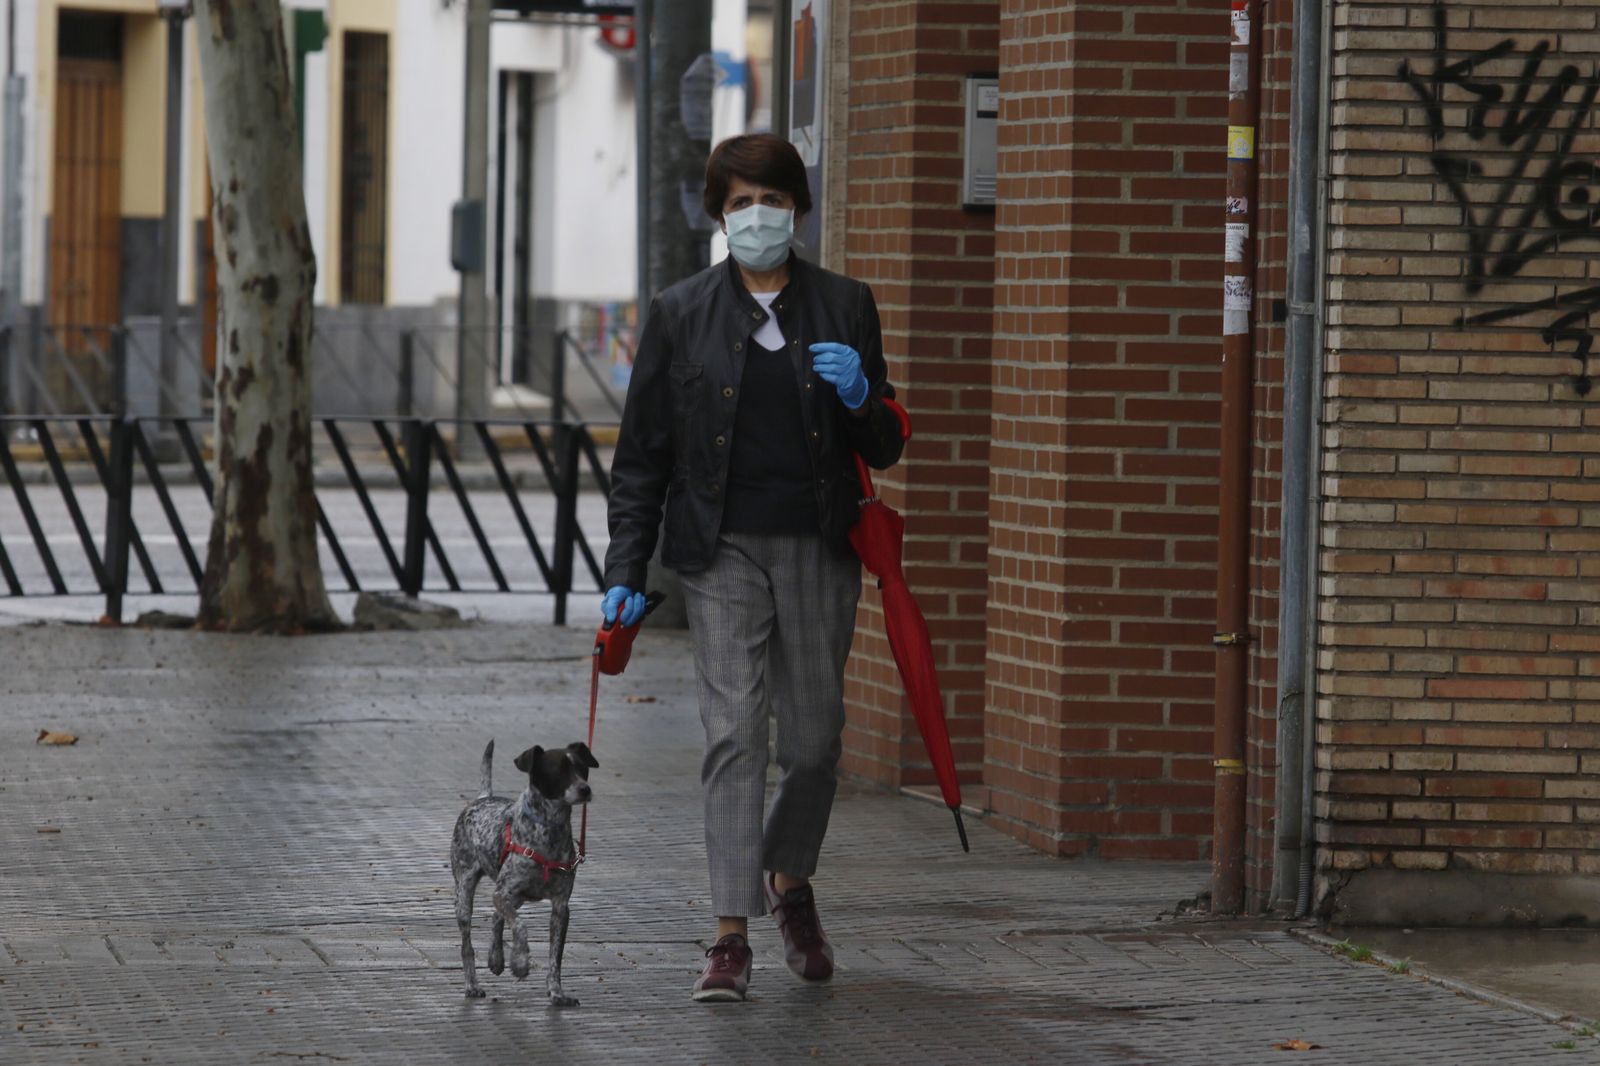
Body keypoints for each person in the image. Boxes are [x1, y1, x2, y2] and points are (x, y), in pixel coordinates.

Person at [602, 133, 904, 1003]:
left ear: (798, 210)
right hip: (718, 549)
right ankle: (730, 933)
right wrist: (628, 565)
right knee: (736, 731)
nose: (757, 215)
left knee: (812, 743)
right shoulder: (680, 312)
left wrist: (860, 397)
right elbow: (641, 458)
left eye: (771, 200)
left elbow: (881, 441)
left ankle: (788, 879)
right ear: (719, 216)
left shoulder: (846, 305)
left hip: (818, 545)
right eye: (739, 203)